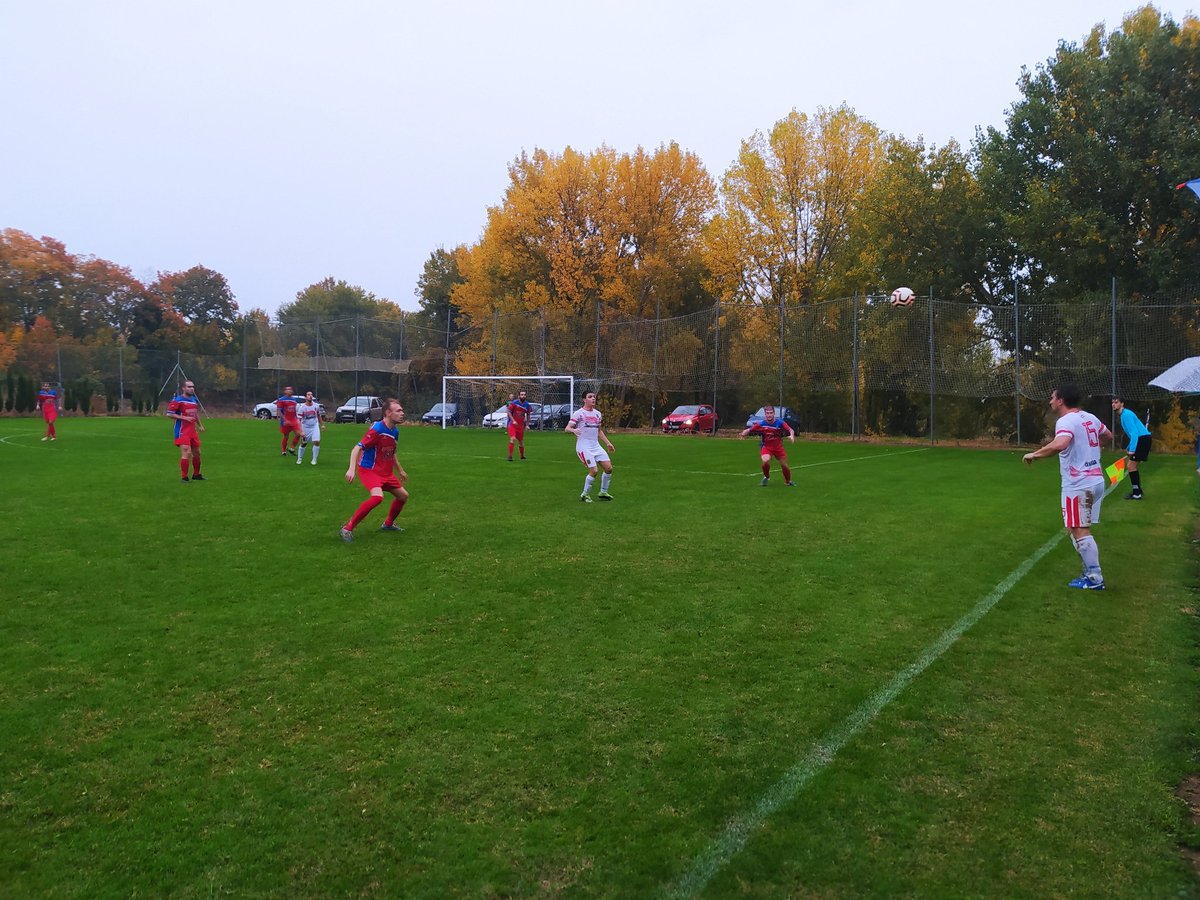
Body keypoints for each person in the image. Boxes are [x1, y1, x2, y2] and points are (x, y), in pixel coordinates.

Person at [1023, 384, 1112, 590]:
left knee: (1080, 530)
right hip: (1096, 480)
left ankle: (1094, 578)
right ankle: (1090, 573)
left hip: (1078, 484)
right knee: (1076, 527)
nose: (1050, 401)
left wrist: (1035, 454)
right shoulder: (1090, 417)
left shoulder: (1065, 421)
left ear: (1061, 400)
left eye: (1052, 397)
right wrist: (1091, 450)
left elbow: (1061, 443)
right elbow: (1107, 436)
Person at [340, 398, 408, 541]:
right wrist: (351, 469)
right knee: (377, 497)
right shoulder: (377, 429)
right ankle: (347, 528)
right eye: (399, 411)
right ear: (388, 413)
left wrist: (400, 470)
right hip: (369, 470)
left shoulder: (395, 431)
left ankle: (388, 524)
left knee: (403, 496)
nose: (402, 413)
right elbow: (356, 448)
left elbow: (392, 453)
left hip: (386, 472)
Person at [565, 391, 615, 502]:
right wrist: (573, 430)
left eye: (594, 397)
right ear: (584, 400)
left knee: (609, 468)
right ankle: (585, 494)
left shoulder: (597, 414)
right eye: (590, 397)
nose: (593, 399)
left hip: (595, 446)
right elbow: (567, 428)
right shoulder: (579, 413)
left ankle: (603, 492)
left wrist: (608, 443)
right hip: (583, 446)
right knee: (594, 470)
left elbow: (599, 431)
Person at [740, 405, 796, 486]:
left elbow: (791, 430)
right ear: (765, 414)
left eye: (771, 413)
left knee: (784, 465)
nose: (769, 415)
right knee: (765, 461)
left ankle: (788, 481)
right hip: (767, 447)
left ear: (774, 414)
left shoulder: (780, 422)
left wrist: (791, 435)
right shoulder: (761, 424)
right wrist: (743, 434)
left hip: (778, 447)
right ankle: (766, 477)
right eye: (767, 413)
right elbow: (748, 430)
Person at [1111, 395, 1151, 500]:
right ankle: (1138, 491)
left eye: (1116, 402)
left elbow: (1134, 433)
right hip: (1142, 439)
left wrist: (1132, 450)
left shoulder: (1126, 415)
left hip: (1142, 439)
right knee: (1132, 466)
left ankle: (1136, 493)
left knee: (1130, 466)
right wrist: (1129, 447)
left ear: (1122, 404)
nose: (1114, 405)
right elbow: (1132, 433)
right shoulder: (1124, 415)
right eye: (1113, 403)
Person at [166, 379, 205, 482]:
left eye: (192, 387)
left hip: (192, 431)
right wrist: (185, 418)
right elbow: (169, 414)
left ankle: (196, 475)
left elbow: (195, 414)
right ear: (183, 388)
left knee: (197, 452)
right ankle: (184, 477)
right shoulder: (178, 400)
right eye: (189, 387)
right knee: (186, 452)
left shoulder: (193, 400)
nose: (192, 389)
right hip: (182, 430)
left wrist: (200, 425)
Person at [296, 391, 323, 465]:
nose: (310, 396)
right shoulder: (302, 408)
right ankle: (299, 458)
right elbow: (299, 420)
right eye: (308, 395)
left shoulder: (316, 406)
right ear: (305, 397)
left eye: (311, 394)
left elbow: (318, 415)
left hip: (314, 426)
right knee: (303, 444)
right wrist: (301, 431)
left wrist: (322, 425)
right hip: (305, 427)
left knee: (317, 441)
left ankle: (314, 459)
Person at [275, 386, 302, 456]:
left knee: (298, 434)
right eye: (288, 390)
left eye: (290, 390)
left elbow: (294, 410)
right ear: (285, 391)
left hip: (294, 420)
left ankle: (292, 448)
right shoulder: (281, 400)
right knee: (286, 436)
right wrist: (284, 419)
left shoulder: (294, 400)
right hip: (285, 421)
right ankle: (283, 451)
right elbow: (279, 411)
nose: (290, 391)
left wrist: (297, 419)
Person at [507, 389, 532, 460]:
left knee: (521, 442)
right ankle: (510, 456)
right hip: (512, 425)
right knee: (512, 438)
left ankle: (522, 456)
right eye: (522, 395)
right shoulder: (514, 403)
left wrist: (527, 425)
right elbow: (508, 412)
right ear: (519, 396)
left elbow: (528, 415)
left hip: (520, 427)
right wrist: (513, 420)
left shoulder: (527, 405)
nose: (523, 396)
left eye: (524, 395)